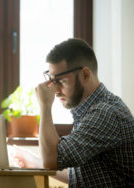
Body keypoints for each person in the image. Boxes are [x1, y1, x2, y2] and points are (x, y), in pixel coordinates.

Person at [12, 38, 134, 187]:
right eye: (52, 81)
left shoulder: (105, 113)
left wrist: (44, 105)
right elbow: (80, 175)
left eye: (61, 81)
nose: (55, 91)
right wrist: (33, 161)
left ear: (85, 75)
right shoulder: (90, 111)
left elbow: (52, 161)